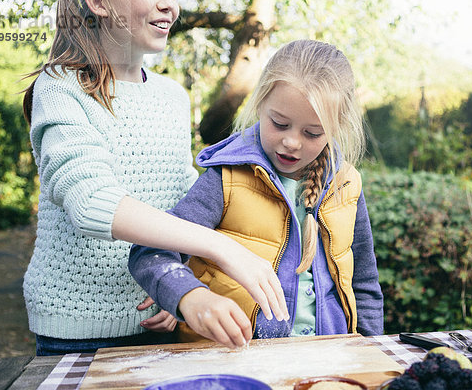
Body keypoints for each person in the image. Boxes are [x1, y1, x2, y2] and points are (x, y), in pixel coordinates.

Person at [22, 0, 288, 355]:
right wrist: (223, 248)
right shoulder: (59, 87)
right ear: (98, 1)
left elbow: (184, 205)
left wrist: (178, 287)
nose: (170, 4)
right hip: (79, 334)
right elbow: (91, 202)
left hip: (165, 321)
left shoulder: (173, 96)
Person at [129, 39, 384, 341]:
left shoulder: (346, 184)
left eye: (312, 133)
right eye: (279, 123)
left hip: (328, 359)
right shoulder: (226, 177)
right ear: (261, 104)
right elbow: (151, 252)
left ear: (337, 127)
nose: (292, 142)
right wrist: (185, 295)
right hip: (234, 359)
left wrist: (372, 350)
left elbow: (364, 284)